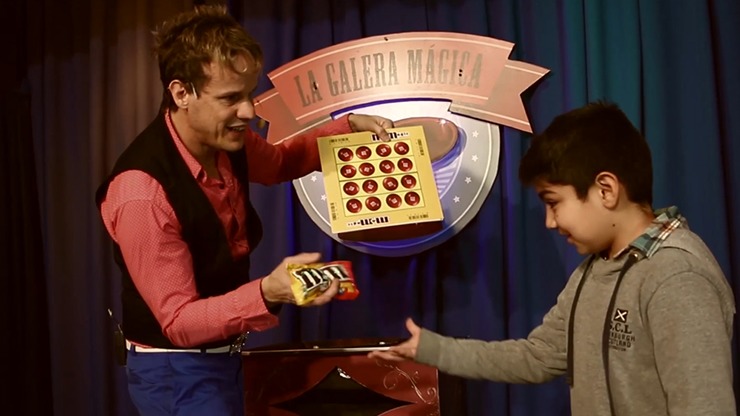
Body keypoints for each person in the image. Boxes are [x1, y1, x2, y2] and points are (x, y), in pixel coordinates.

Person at [95, 4, 393, 415]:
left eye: (249, 94)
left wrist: (347, 126)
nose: (249, 112)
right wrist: (268, 292)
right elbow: (179, 323)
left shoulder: (227, 139)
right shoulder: (141, 193)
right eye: (230, 98)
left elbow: (281, 162)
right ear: (181, 93)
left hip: (221, 358)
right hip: (175, 371)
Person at [369, 102, 736, 415]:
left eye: (553, 202)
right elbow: (539, 356)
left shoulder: (677, 276)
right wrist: (431, 349)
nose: (549, 222)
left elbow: (704, 407)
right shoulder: (592, 270)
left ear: (606, 190)